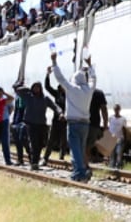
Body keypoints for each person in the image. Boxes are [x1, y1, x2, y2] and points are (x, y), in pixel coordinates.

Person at [50, 50, 96, 182]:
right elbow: (93, 79)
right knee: (81, 149)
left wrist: (54, 62)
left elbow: (60, 78)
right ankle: (83, 170)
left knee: (75, 150)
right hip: (85, 124)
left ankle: (79, 173)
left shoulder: (71, 88)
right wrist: (90, 66)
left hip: (73, 123)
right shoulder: (89, 90)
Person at [14, 78, 62, 169]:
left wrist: (60, 113)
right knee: (34, 143)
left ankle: (35, 160)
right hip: (30, 124)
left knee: (40, 144)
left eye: (38, 87)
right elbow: (17, 90)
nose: (36, 89)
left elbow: (55, 106)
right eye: (35, 87)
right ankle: (34, 162)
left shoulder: (45, 99)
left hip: (41, 124)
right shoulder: (28, 96)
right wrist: (28, 89)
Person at [108, 104, 127, 169]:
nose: (116, 111)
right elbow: (109, 127)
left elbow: (124, 129)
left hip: (120, 138)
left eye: (117, 109)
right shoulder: (111, 118)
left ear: (119, 110)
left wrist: (125, 138)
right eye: (115, 109)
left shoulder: (123, 119)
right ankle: (112, 165)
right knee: (112, 153)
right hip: (111, 138)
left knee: (119, 152)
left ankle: (118, 165)